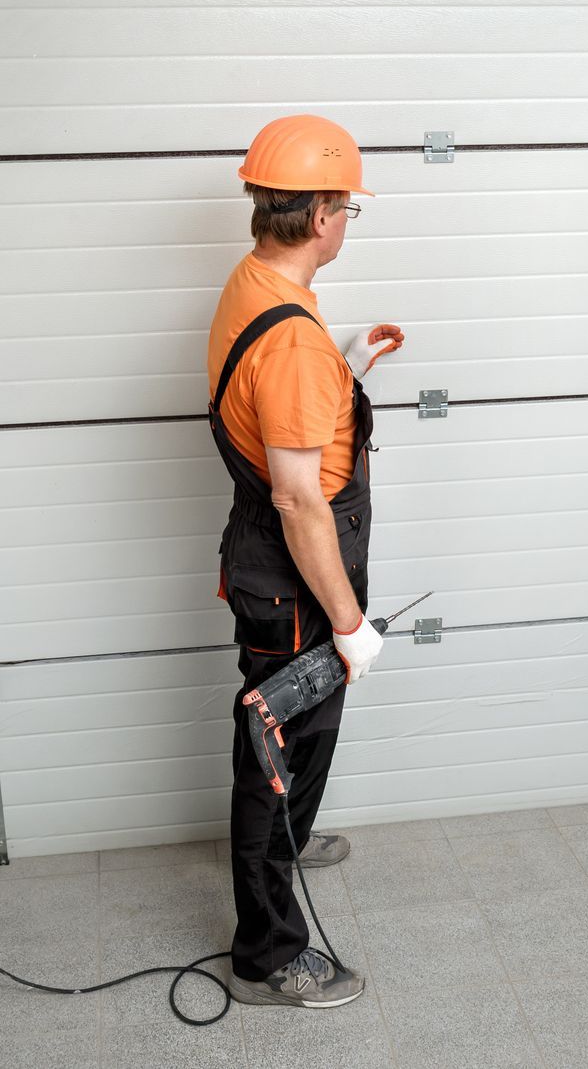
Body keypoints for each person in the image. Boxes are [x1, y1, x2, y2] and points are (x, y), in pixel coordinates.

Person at [206, 114, 403, 1008]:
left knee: (291, 742)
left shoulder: (258, 286)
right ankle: (268, 949)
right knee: (282, 747)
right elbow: (297, 499)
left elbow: (285, 415)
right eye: (347, 208)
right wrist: (351, 623)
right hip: (296, 580)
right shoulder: (290, 339)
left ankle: (286, 837)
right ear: (323, 210)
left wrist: (345, 365)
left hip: (279, 562)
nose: (346, 222)